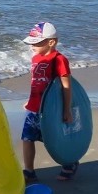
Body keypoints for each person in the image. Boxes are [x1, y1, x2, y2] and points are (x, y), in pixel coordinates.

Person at [20, 21, 77, 181]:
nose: (32, 46)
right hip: (34, 107)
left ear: (51, 42)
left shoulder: (59, 60)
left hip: (50, 109)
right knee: (27, 138)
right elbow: (36, 82)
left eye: (36, 43)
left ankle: (69, 162)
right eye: (31, 43)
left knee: (56, 139)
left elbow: (66, 86)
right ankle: (29, 171)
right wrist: (29, 100)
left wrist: (66, 110)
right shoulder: (36, 58)